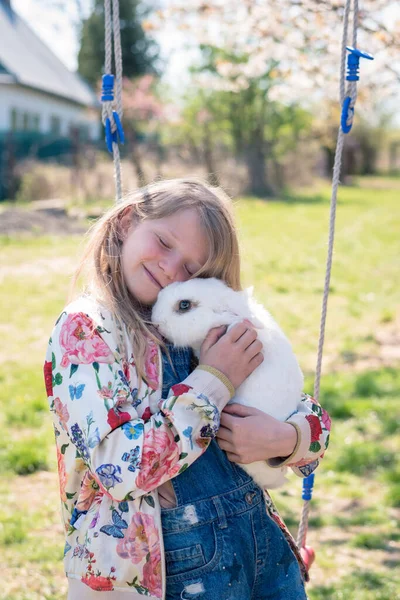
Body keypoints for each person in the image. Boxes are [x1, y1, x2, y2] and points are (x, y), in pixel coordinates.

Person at [44, 178, 331, 600]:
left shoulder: (201, 324)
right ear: (126, 222)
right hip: (173, 563)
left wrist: (286, 439)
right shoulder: (87, 331)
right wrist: (214, 381)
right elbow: (120, 471)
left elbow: (311, 425)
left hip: (262, 543)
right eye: (163, 241)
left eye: (192, 270)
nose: (170, 268)